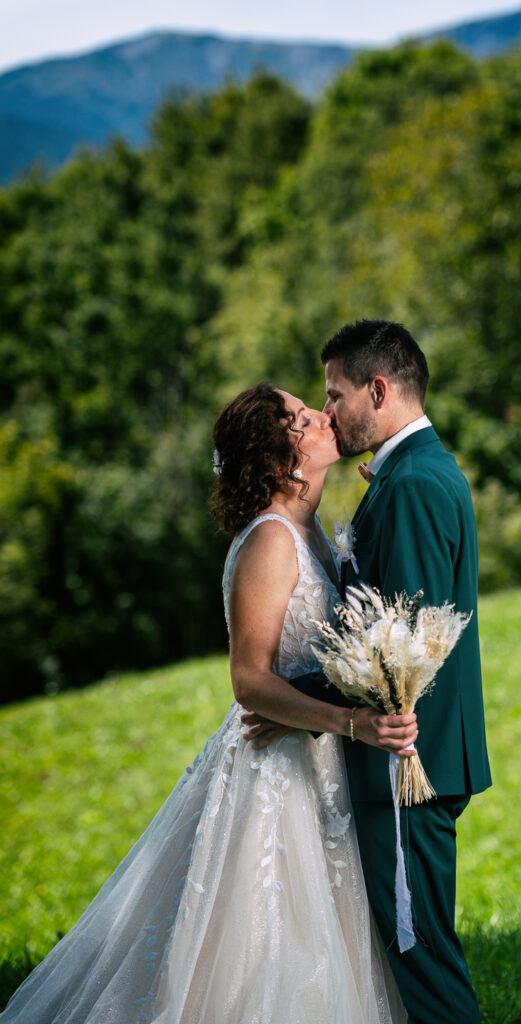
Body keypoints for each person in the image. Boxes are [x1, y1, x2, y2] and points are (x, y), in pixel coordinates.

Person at [0, 382, 417, 1024]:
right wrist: (351, 723)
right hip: (278, 772)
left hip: (322, 769)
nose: (323, 415)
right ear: (283, 463)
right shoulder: (270, 541)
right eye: (305, 418)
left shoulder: (312, 536)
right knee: (269, 941)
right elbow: (249, 681)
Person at [274, 320, 492, 1024]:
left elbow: (401, 646)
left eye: (335, 394)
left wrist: (284, 697)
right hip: (405, 756)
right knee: (409, 959)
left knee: (423, 964)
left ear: (378, 387)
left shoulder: (414, 485)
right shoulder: (410, 473)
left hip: (406, 762)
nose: (327, 410)